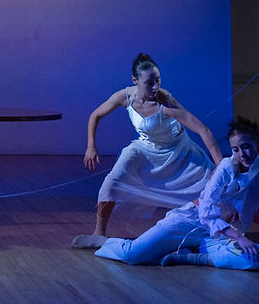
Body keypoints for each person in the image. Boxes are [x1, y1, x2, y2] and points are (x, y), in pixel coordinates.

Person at [94, 117, 259, 270]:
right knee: (132, 255)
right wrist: (239, 237)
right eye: (236, 149)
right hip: (189, 222)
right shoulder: (226, 168)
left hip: (219, 238)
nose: (241, 154)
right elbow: (206, 211)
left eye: (246, 147)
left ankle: (192, 257)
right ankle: (106, 243)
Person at [73, 53, 223, 248]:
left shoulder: (165, 100)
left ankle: (216, 227)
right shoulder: (125, 97)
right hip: (146, 148)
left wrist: (222, 166)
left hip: (178, 150)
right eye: (149, 83)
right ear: (135, 80)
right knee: (112, 182)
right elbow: (95, 115)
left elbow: (202, 129)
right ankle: (98, 234)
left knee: (215, 185)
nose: (154, 87)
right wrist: (91, 146)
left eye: (157, 81)